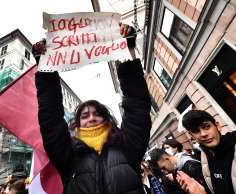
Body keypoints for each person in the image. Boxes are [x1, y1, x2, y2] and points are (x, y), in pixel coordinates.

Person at [34, 23, 151, 194]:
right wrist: (44, 66)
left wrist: (127, 50)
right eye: (85, 115)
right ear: (78, 124)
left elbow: (137, 104)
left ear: (106, 119)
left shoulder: (127, 145)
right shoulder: (67, 154)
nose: (91, 118)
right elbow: (50, 115)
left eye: (97, 113)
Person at [181, 110, 236, 194]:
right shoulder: (204, 156)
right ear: (192, 136)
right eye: (196, 131)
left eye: (206, 127)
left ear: (217, 126)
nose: (203, 134)